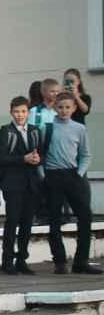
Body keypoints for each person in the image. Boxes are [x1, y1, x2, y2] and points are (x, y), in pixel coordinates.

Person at [43, 91, 99, 275]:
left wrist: (79, 173)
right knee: (54, 219)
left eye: (68, 107)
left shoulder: (79, 129)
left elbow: (86, 154)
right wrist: (43, 174)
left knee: (85, 216)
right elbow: (41, 153)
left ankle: (81, 261)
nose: (64, 110)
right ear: (54, 107)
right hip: (53, 175)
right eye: (60, 107)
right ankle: (59, 261)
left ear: (74, 108)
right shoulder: (47, 128)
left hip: (73, 175)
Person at [0, 96, 42, 275]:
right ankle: (7, 261)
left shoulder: (35, 131)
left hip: (31, 183)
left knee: (27, 222)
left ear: (28, 112)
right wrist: (23, 159)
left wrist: (37, 159)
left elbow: (41, 152)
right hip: (12, 183)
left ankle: (22, 259)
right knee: (12, 221)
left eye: (23, 111)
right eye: (16, 111)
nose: (20, 115)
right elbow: (1, 158)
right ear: (11, 112)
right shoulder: (6, 131)